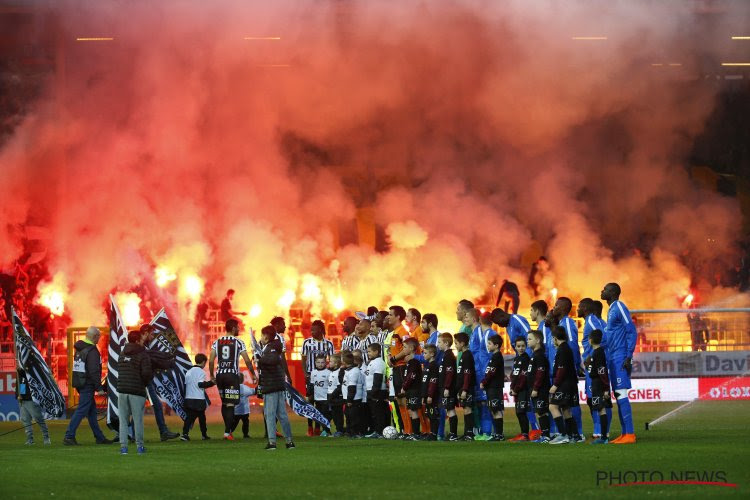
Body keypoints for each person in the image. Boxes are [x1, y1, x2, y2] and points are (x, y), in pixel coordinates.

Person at [64, 327, 114, 446]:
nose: (100, 338)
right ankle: (69, 436)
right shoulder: (92, 351)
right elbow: (93, 371)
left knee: (91, 412)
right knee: (81, 410)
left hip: (80, 383)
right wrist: (99, 388)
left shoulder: (80, 348)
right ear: (95, 336)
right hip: (88, 385)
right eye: (99, 336)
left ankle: (99, 437)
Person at [601, 282, 637, 444]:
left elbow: (631, 330)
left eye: (605, 289)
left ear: (613, 293)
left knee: (621, 393)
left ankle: (630, 433)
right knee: (617, 394)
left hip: (620, 356)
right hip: (612, 357)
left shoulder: (619, 306)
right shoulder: (611, 310)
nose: (602, 291)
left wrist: (628, 355)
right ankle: (624, 433)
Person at [209, 318, 257, 441]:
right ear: (233, 328)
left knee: (224, 403)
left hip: (220, 375)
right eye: (238, 327)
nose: (239, 329)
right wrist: (253, 374)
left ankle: (227, 431)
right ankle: (227, 432)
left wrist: (211, 375)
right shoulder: (239, 342)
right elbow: (247, 360)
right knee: (230, 404)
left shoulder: (217, 342)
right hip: (231, 376)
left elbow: (211, 360)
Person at [548, 296, 584, 440]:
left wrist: (574, 365)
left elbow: (573, 345)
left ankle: (570, 434)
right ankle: (573, 434)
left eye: (556, 305)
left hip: (565, 375)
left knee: (561, 406)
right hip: (563, 374)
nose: (553, 308)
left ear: (563, 308)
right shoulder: (561, 324)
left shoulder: (567, 323)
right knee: (566, 407)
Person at [139, 324, 180, 441]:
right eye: (151, 334)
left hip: (144, 381)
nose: (153, 337)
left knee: (139, 408)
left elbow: (154, 358)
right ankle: (163, 432)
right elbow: (154, 358)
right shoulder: (141, 347)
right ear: (145, 333)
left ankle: (129, 433)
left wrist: (168, 360)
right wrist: (169, 359)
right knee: (155, 406)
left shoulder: (143, 347)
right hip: (144, 382)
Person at [258, 325, 295, 450]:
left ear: (266, 336)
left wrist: (260, 359)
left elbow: (271, 360)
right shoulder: (275, 346)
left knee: (269, 414)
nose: (260, 338)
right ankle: (289, 442)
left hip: (271, 385)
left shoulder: (271, 348)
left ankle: (272, 442)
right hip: (278, 384)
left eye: (262, 335)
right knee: (282, 415)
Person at [117, 329, 153, 455]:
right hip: (137, 391)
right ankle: (139, 447)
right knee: (137, 420)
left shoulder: (122, 353)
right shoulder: (142, 354)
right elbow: (146, 373)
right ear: (138, 340)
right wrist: (145, 383)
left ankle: (123, 448)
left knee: (123, 420)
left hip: (122, 390)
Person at [578, 298, 610, 440]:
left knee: (596, 398)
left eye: (579, 306)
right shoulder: (589, 322)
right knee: (592, 399)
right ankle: (601, 429)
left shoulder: (591, 321)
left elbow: (603, 338)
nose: (577, 309)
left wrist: (592, 355)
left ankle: (601, 430)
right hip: (591, 365)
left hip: (595, 365)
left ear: (584, 308)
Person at [301, 320, 335, 436]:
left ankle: (318, 428)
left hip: (324, 376)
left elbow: (332, 360)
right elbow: (304, 359)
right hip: (311, 376)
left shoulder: (328, 344)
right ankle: (309, 427)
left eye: (314, 329)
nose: (311, 332)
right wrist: (305, 373)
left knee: (321, 404)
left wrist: (330, 374)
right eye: (311, 329)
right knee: (310, 403)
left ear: (320, 330)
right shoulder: (307, 342)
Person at [548, 326, 580, 445]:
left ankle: (563, 435)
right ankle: (574, 435)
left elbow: (562, 369)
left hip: (564, 383)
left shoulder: (562, 350)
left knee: (553, 406)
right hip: (570, 383)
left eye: (552, 339)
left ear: (555, 338)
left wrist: (555, 385)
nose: (552, 341)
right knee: (566, 409)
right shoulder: (567, 348)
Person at [384, 305, 410, 434]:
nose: (388, 316)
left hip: (401, 368)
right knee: (399, 401)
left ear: (398, 317)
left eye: (391, 314)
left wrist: (393, 358)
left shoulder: (403, 332)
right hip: (395, 369)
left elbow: (407, 349)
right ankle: (405, 430)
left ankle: (409, 430)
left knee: (403, 400)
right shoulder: (395, 332)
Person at [181, 353, 214, 441]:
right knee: (201, 418)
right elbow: (200, 384)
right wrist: (211, 383)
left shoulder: (189, 371)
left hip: (188, 398)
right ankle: (203, 435)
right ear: (203, 362)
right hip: (198, 399)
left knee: (190, 417)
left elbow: (186, 385)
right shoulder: (201, 372)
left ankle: (185, 434)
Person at [587, 330, 612, 444]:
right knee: (600, 409)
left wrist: (606, 388)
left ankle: (604, 437)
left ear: (590, 340)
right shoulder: (597, 352)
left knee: (601, 409)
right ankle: (603, 436)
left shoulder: (598, 353)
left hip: (599, 384)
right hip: (597, 383)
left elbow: (602, 371)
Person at [479, 334, 505, 441]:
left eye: (489, 344)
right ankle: (497, 434)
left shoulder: (497, 357)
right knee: (494, 410)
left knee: (496, 410)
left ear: (496, 345)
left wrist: (484, 382)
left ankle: (499, 434)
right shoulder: (494, 356)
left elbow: (492, 372)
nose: (488, 346)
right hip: (492, 387)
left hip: (495, 387)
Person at [16, 363, 50, 445]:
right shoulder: (22, 375)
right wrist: (20, 394)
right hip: (23, 399)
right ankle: (30, 439)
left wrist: (20, 368)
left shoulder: (31, 371)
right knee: (25, 420)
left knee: (38, 419)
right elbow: (22, 383)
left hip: (30, 399)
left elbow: (25, 379)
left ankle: (46, 437)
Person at [527, 330, 551, 443]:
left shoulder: (540, 356)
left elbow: (540, 373)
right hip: (535, 389)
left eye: (530, 339)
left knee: (542, 411)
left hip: (540, 389)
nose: (528, 341)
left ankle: (546, 436)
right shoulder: (534, 355)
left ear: (538, 340)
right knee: (539, 412)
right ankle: (544, 434)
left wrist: (536, 388)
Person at [398, 338, 423, 440]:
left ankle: (416, 434)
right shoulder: (410, 361)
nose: (403, 349)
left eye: (404, 347)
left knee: (414, 411)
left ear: (412, 348)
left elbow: (411, 376)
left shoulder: (414, 362)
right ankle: (414, 433)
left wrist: (404, 387)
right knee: (411, 411)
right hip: (411, 390)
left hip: (414, 390)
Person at [507, 337, 531, 442]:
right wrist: (512, 387)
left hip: (523, 390)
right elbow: (515, 375)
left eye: (523, 346)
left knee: (522, 411)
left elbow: (523, 376)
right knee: (518, 412)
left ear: (526, 346)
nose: (521, 348)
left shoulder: (526, 359)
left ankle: (525, 435)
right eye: (518, 346)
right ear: (515, 347)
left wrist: (516, 388)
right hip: (517, 390)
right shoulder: (517, 359)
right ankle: (523, 433)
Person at [454, 332, 476, 441]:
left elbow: (467, 374)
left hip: (466, 388)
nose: (455, 345)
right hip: (463, 387)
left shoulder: (467, 355)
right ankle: (466, 433)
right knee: (465, 409)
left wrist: (465, 389)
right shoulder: (464, 355)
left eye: (456, 343)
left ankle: (469, 433)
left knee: (468, 409)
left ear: (462, 343)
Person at [437, 332, 458, 441]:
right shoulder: (445, 355)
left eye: (439, 342)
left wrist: (447, 387)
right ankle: (452, 433)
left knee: (450, 410)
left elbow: (450, 373)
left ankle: (453, 434)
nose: (438, 344)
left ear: (446, 343)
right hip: (445, 387)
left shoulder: (449, 356)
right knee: (448, 410)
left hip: (448, 388)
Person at [364, 343, 388, 438]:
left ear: (376, 351)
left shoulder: (379, 362)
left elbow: (377, 379)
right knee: (374, 413)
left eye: (369, 351)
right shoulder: (372, 362)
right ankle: (376, 431)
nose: (368, 353)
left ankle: (380, 432)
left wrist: (374, 393)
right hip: (372, 391)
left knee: (379, 413)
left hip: (377, 392)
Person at [308, 354, 332, 436]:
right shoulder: (313, 372)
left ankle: (327, 431)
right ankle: (317, 430)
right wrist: (310, 395)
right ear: (315, 363)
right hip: (316, 398)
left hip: (325, 398)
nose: (320, 364)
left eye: (322, 362)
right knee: (317, 415)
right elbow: (311, 385)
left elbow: (331, 386)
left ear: (326, 363)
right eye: (318, 362)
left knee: (325, 415)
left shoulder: (329, 373)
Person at [421, 344, 440, 440]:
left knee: (433, 414)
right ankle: (431, 432)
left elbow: (433, 381)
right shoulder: (427, 365)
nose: (423, 355)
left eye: (425, 353)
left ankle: (434, 434)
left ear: (432, 354)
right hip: (426, 395)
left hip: (431, 396)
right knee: (429, 414)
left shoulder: (434, 366)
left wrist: (430, 395)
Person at [341, 351, 363, 438]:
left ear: (344, 361)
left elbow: (352, 387)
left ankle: (355, 433)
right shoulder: (347, 370)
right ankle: (349, 432)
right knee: (348, 416)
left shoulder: (354, 371)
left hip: (354, 399)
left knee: (354, 416)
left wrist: (350, 399)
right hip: (348, 398)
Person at [232, 373, 256, 439]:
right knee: (245, 423)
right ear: (243, 379)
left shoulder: (233, 388)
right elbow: (254, 391)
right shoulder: (245, 388)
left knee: (234, 423)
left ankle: (229, 433)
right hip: (244, 411)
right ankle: (245, 435)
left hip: (235, 410)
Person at [327, 353, 345, 437]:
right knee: (334, 415)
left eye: (331, 361)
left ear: (336, 363)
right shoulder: (332, 372)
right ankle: (339, 430)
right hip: (331, 396)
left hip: (336, 397)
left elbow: (339, 386)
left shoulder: (338, 372)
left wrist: (332, 395)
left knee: (338, 415)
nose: (329, 363)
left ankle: (340, 430)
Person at [270, 316, 292, 381]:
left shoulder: (264, 337)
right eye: (283, 324)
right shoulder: (280, 339)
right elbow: (282, 359)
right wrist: (288, 375)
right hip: (277, 374)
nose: (285, 327)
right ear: (277, 325)